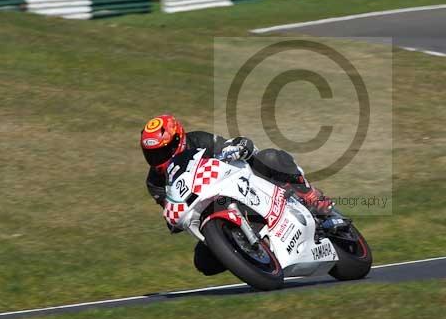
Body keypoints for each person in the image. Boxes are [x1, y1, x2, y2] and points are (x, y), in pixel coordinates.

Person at [140, 114, 336, 276]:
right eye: (152, 155)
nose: (158, 159)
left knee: (268, 158)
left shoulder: (199, 140)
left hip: (236, 185)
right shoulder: (155, 182)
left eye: (163, 151)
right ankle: (247, 256)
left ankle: (310, 194)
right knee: (203, 262)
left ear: (178, 140)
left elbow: (231, 146)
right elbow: (170, 206)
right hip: (208, 210)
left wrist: (238, 147)